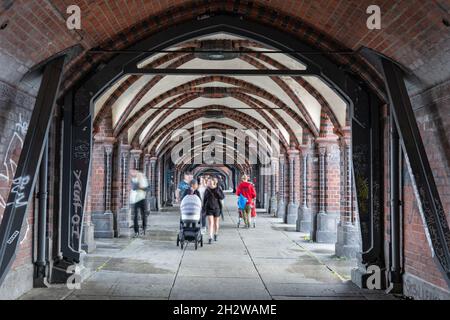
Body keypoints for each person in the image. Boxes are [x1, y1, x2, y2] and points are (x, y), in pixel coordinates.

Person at [202, 177, 225, 244]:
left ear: (214, 182)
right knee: (210, 223)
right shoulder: (207, 190)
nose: (209, 183)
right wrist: (203, 207)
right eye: (208, 182)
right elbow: (204, 199)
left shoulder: (218, 189)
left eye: (210, 182)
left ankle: (216, 233)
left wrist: (217, 191)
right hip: (209, 208)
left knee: (216, 223)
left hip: (217, 208)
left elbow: (222, 197)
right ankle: (210, 237)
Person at [130, 169, 149, 237]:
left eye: (133, 171)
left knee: (143, 215)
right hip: (135, 200)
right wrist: (138, 186)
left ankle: (144, 229)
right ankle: (136, 231)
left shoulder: (143, 178)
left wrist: (139, 186)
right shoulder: (133, 179)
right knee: (135, 216)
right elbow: (134, 188)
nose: (132, 173)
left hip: (142, 198)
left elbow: (146, 188)